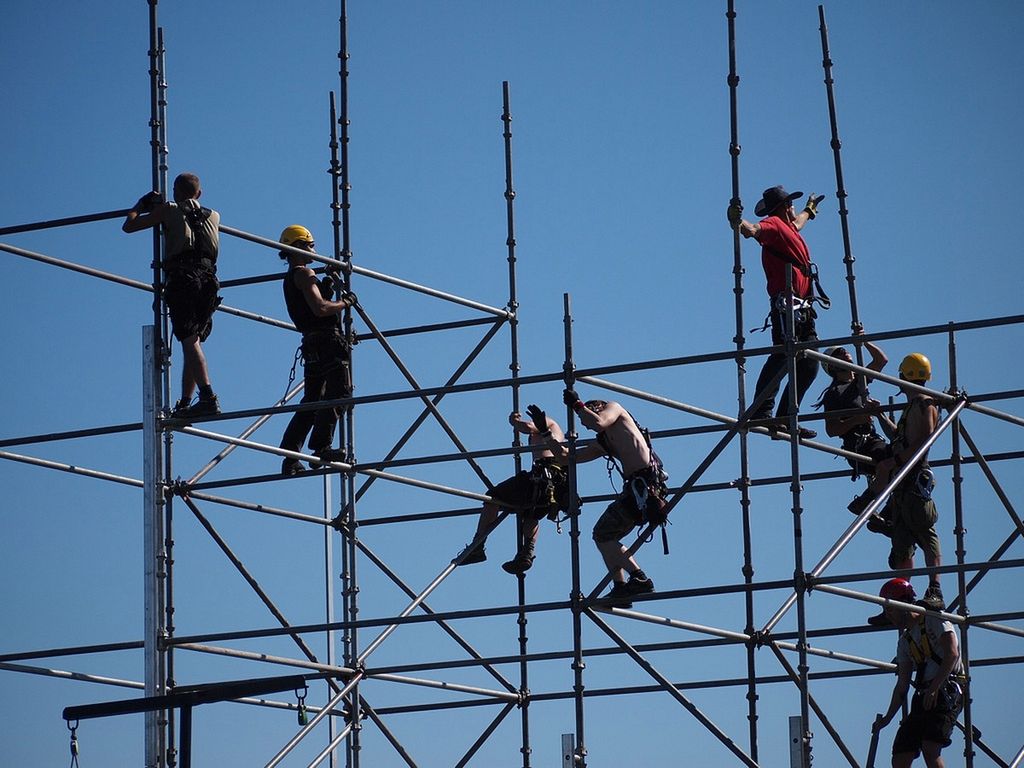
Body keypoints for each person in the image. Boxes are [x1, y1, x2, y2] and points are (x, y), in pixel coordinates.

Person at [556, 388, 669, 608]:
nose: (586, 426)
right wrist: (545, 433)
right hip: (637, 491)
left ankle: (638, 578)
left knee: (602, 534)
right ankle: (622, 587)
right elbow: (566, 458)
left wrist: (577, 405)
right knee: (604, 535)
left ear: (595, 407)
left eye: (584, 419)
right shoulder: (605, 441)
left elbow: (599, 422)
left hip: (646, 486)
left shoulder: (614, 409)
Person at [728, 185, 826, 439]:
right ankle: (762, 412)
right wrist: (737, 221)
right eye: (792, 206)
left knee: (809, 364)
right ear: (785, 207)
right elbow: (751, 230)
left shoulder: (789, 227)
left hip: (803, 307)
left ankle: (784, 417)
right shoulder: (772, 224)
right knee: (783, 355)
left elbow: (800, 223)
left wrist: (809, 210)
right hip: (788, 305)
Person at [123, 172, 222, 418]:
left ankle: (208, 397)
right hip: (209, 281)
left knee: (188, 340)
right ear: (199, 193)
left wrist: (141, 205)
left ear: (176, 192)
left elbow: (129, 225)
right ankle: (186, 404)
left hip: (183, 279)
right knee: (192, 341)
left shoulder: (169, 210)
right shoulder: (214, 216)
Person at [868, 353, 945, 625]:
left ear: (904, 376)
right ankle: (900, 602)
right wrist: (880, 416)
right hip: (903, 481)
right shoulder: (912, 405)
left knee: (925, 535)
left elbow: (924, 441)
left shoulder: (925, 403)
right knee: (902, 545)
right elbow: (901, 439)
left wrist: (895, 461)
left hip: (913, 479)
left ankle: (934, 590)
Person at [276, 225, 357, 475]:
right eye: (309, 245)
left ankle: (290, 456)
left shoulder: (292, 278)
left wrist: (328, 284)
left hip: (312, 343)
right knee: (341, 393)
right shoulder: (304, 274)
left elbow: (314, 304)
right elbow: (321, 308)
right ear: (297, 247)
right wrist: (346, 302)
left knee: (311, 402)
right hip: (327, 342)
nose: (314, 249)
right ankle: (321, 448)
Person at [456, 406, 573, 574]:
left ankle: (477, 545)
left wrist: (514, 422)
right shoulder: (552, 436)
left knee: (492, 499)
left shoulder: (549, 423)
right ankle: (526, 553)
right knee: (532, 513)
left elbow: (528, 427)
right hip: (553, 483)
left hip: (543, 474)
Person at [872, 578, 965, 768]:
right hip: (925, 693)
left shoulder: (934, 619)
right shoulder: (905, 642)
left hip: (947, 688)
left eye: (890, 609)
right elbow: (902, 685)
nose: (888, 616)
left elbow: (952, 653)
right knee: (901, 755)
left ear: (903, 605)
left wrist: (935, 687)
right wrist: (888, 718)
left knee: (930, 748)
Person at [817, 331, 897, 528]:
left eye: (845, 350)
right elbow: (832, 429)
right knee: (897, 460)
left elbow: (881, 360)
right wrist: (857, 418)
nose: (846, 353)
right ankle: (867, 504)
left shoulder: (859, 382)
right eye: (840, 353)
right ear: (833, 366)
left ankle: (882, 512)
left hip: (872, 439)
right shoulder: (834, 393)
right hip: (858, 445)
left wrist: (863, 340)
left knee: (904, 461)